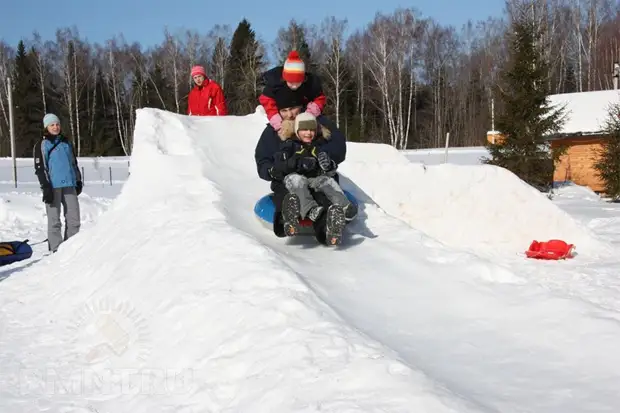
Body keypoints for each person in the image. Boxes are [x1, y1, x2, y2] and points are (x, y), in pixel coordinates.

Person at [254, 88, 353, 245]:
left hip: (318, 176)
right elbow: (263, 159)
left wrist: (323, 157)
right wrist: (273, 170)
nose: (290, 114)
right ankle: (285, 221)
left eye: (293, 108)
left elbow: (338, 147)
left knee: (324, 194)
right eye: (284, 110)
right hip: (289, 178)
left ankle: (328, 228)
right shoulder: (273, 132)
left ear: (301, 106)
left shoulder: (316, 123)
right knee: (288, 190)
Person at [274, 111, 357, 242]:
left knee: (327, 181)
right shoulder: (289, 145)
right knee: (298, 180)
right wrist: (298, 163)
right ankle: (310, 210)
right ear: (297, 131)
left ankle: (344, 207)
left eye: (312, 129)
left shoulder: (319, 146)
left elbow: (328, 171)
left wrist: (329, 165)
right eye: (304, 129)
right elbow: (280, 166)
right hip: (294, 177)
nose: (308, 133)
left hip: (313, 179)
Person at [33, 113, 82, 253]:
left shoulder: (66, 143)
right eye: (52, 125)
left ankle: (71, 248)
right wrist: (45, 187)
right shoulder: (42, 144)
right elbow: (40, 169)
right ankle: (56, 250)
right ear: (46, 127)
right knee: (54, 221)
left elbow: (74, 163)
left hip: (69, 185)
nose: (55, 127)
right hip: (53, 187)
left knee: (74, 219)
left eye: (57, 124)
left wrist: (78, 180)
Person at [258, 50, 326, 136]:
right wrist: (276, 120)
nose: (294, 86)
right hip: (281, 119)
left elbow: (320, 98)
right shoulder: (275, 84)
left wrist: (309, 114)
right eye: (291, 83)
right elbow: (267, 101)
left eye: (297, 83)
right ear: (284, 79)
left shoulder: (310, 85)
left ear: (303, 79)